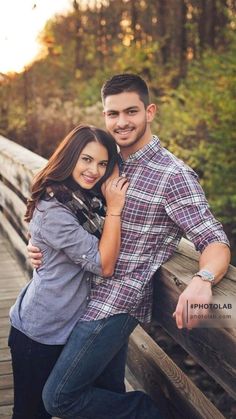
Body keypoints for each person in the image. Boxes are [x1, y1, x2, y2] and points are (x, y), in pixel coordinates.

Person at [28, 74, 230, 419]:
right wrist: (37, 242)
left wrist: (203, 278)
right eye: (113, 114)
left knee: (59, 398)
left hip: (115, 304)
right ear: (104, 115)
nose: (121, 123)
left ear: (149, 111)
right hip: (79, 293)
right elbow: (64, 207)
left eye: (131, 112)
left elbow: (213, 239)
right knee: (105, 394)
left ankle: (147, 411)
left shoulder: (173, 175)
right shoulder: (105, 161)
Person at [8, 124, 130, 419]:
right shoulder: (56, 209)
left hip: (71, 326)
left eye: (102, 163)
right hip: (40, 332)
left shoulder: (85, 200)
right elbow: (104, 263)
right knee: (31, 413)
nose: (94, 170)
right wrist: (115, 208)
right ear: (69, 156)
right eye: (86, 159)